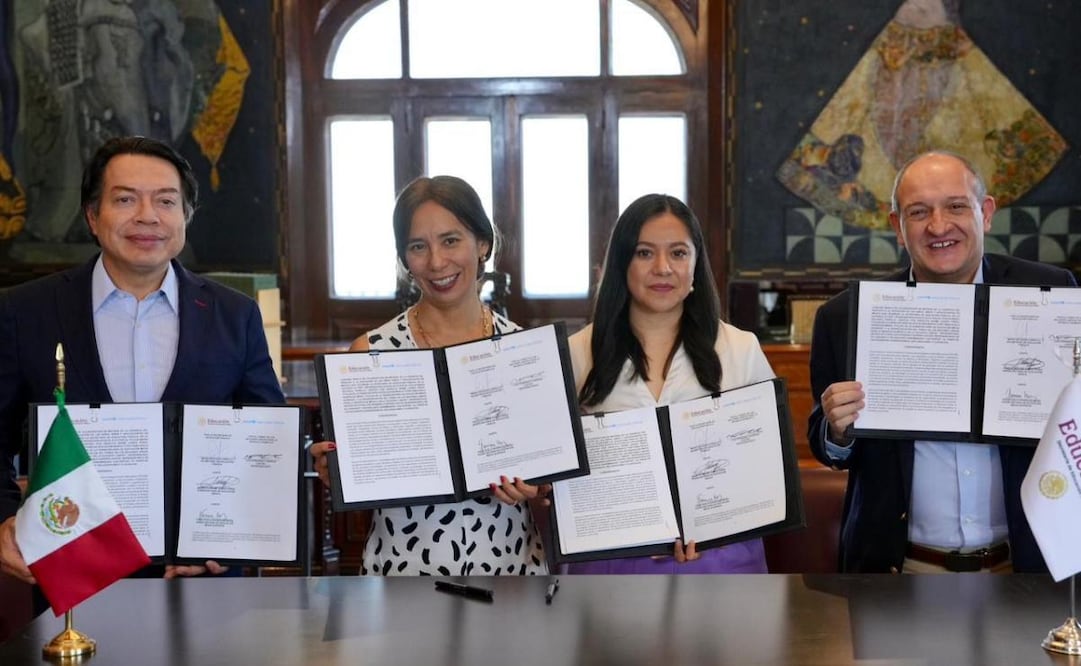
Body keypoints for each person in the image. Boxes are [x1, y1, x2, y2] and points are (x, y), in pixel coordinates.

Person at [0, 136, 285, 584]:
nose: (147, 216)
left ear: (186, 217)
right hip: (75, 577)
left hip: (204, 580)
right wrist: (2, 523)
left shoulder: (235, 315)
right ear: (93, 216)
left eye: (166, 201)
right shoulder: (26, 311)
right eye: (126, 199)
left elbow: (267, 441)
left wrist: (230, 545)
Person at [808, 150, 1077, 573]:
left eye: (955, 206)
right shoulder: (844, 316)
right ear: (898, 226)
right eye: (919, 212)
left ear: (985, 213)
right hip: (899, 569)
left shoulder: (1053, 292)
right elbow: (830, 450)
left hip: (1024, 566)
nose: (938, 226)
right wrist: (837, 429)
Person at [310, 175, 548, 576]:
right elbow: (361, 478)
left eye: (451, 240)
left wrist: (538, 488)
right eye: (418, 246)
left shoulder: (524, 352)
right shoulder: (371, 354)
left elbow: (547, 480)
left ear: (483, 244)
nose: (437, 262)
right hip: (401, 573)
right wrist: (337, 473)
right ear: (405, 259)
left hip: (510, 571)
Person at [563, 193, 776, 574]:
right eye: (644, 253)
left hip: (720, 565)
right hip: (612, 569)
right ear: (621, 263)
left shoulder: (741, 350)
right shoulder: (577, 354)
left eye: (678, 253)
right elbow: (562, 480)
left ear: (696, 264)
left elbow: (765, 472)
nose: (662, 268)